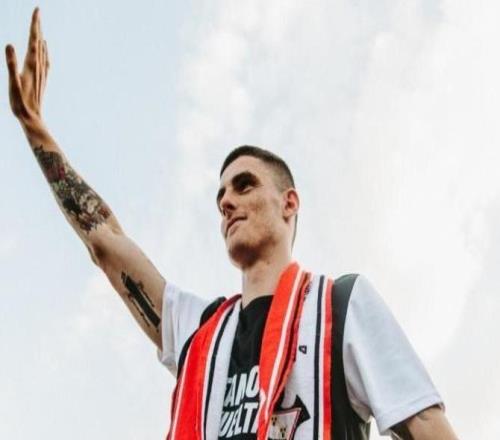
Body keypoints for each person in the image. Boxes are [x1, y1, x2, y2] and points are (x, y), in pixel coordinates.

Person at [6, 8, 458, 440]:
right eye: (220, 195)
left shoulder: (340, 306)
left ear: (289, 203)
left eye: (244, 185)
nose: (226, 202)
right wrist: (35, 128)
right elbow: (106, 242)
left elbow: (425, 425)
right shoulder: (198, 329)